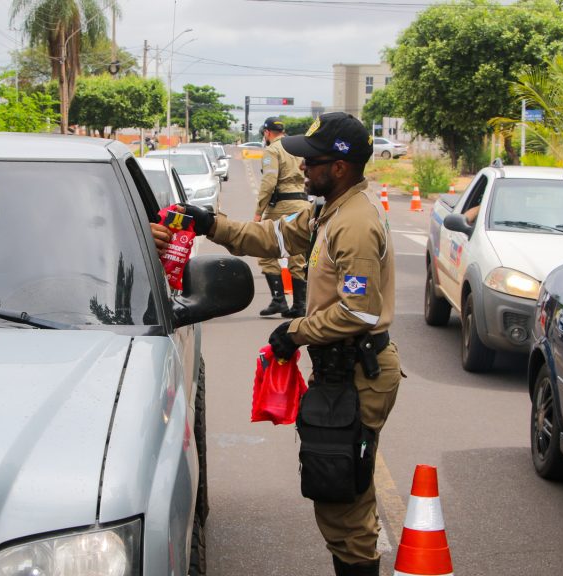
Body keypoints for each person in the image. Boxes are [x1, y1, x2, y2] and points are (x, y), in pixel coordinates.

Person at [178, 112, 402, 576]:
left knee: (344, 498)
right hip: (340, 370)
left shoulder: (355, 224)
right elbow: (271, 236)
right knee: (338, 494)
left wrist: (295, 331)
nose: (302, 168)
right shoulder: (328, 211)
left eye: (311, 162)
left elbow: (358, 310)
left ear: (338, 168)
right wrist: (209, 225)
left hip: (359, 373)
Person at [254, 116, 311, 318]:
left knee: (265, 246)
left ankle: (279, 300)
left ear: (267, 133)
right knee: (297, 253)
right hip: (303, 204)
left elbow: (269, 182)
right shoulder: (297, 149)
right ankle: (299, 305)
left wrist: (259, 211)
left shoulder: (272, 150)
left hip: (281, 205)